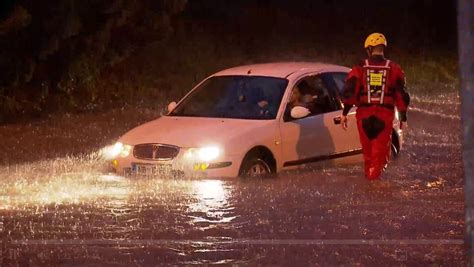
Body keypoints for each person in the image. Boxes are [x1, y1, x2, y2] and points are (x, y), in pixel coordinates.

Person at [341, 33, 410, 180]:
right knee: (379, 159)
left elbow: (350, 91)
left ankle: (368, 188)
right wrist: (403, 116)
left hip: (364, 117)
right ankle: (374, 191)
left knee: (368, 157)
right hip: (384, 118)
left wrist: (345, 113)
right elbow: (401, 95)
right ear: (383, 48)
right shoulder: (394, 68)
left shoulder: (360, 67)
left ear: (369, 49)